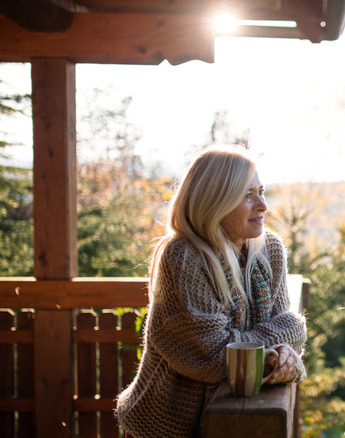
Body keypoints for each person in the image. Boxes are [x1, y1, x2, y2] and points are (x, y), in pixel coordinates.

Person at [115, 145, 307, 437]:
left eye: (261, 192)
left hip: (236, 420)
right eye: (246, 195)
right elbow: (214, 357)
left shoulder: (270, 249)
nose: (262, 205)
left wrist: (284, 354)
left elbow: (283, 341)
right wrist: (287, 332)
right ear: (215, 200)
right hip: (167, 428)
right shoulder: (183, 256)